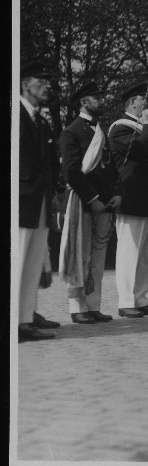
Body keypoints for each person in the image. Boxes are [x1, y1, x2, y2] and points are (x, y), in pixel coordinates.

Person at [58, 81, 121, 324]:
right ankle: (77, 308)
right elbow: (72, 172)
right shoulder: (71, 132)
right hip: (83, 202)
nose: (102, 101)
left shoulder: (99, 130)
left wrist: (117, 192)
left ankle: (93, 306)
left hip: (104, 203)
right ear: (84, 102)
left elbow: (110, 168)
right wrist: (92, 198)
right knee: (79, 256)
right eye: (97, 98)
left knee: (97, 259)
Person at [108, 82, 148, 318]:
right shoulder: (120, 128)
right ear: (132, 102)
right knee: (129, 252)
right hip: (131, 197)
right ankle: (125, 301)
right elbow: (138, 151)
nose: (147, 103)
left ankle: (140, 298)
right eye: (143, 99)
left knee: (144, 254)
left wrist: (147, 127)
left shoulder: (142, 128)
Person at [17, 60, 62, 340]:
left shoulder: (41, 120)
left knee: (32, 263)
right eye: (40, 81)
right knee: (18, 261)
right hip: (21, 200)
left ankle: (24, 320)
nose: (47, 86)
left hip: (40, 201)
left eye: (48, 81)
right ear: (25, 84)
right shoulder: (16, 114)